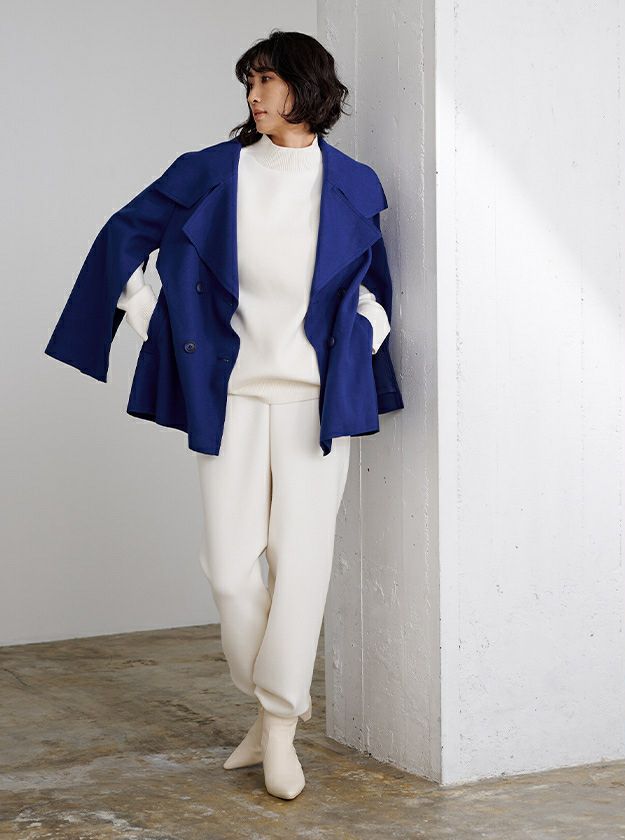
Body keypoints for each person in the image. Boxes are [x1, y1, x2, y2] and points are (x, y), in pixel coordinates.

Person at [45, 29, 404, 801]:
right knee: (230, 567)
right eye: (250, 81)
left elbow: (374, 287)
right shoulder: (211, 170)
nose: (254, 94)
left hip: (312, 400)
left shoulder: (354, 183)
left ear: (307, 88)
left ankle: (277, 730)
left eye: (268, 80)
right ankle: (272, 707)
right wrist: (155, 322)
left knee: (301, 564)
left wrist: (364, 337)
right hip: (233, 394)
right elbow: (123, 238)